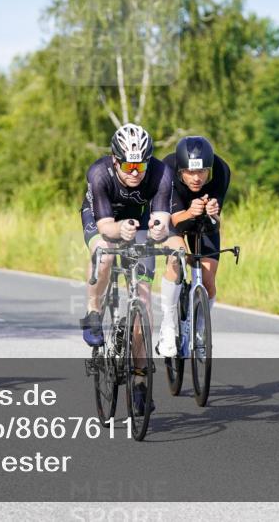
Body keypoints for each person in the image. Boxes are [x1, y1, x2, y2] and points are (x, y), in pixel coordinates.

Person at [80, 123, 172, 412]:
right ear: (115, 159)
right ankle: (94, 312)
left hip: (139, 223)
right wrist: (119, 229)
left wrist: (158, 231)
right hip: (103, 218)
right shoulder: (99, 173)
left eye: (141, 165)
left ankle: (141, 380)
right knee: (105, 254)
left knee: (143, 302)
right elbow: (107, 226)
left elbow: (161, 218)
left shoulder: (160, 173)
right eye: (129, 164)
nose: (135, 171)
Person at [156, 136, 231, 357]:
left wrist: (214, 214)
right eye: (190, 172)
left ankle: (199, 327)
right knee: (177, 258)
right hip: (174, 218)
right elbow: (171, 220)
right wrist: (190, 212)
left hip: (203, 222)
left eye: (202, 172)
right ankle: (168, 325)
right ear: (180, 170)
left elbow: (216, 223)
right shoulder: (165, 171)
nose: (196, 178)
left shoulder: (221, 170)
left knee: (208, 279)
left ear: (209, 169)